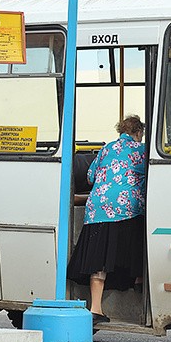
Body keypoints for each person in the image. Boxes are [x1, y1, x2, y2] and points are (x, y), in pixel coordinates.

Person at [67, 115, 146, 325]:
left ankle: (96, 308)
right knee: (138, 241)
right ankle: (138, 281)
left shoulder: (106, 149)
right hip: (126, 209)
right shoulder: (142, 150)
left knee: (99, 260)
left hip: (97, 209)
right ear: (138, 133)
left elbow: (91, 177)